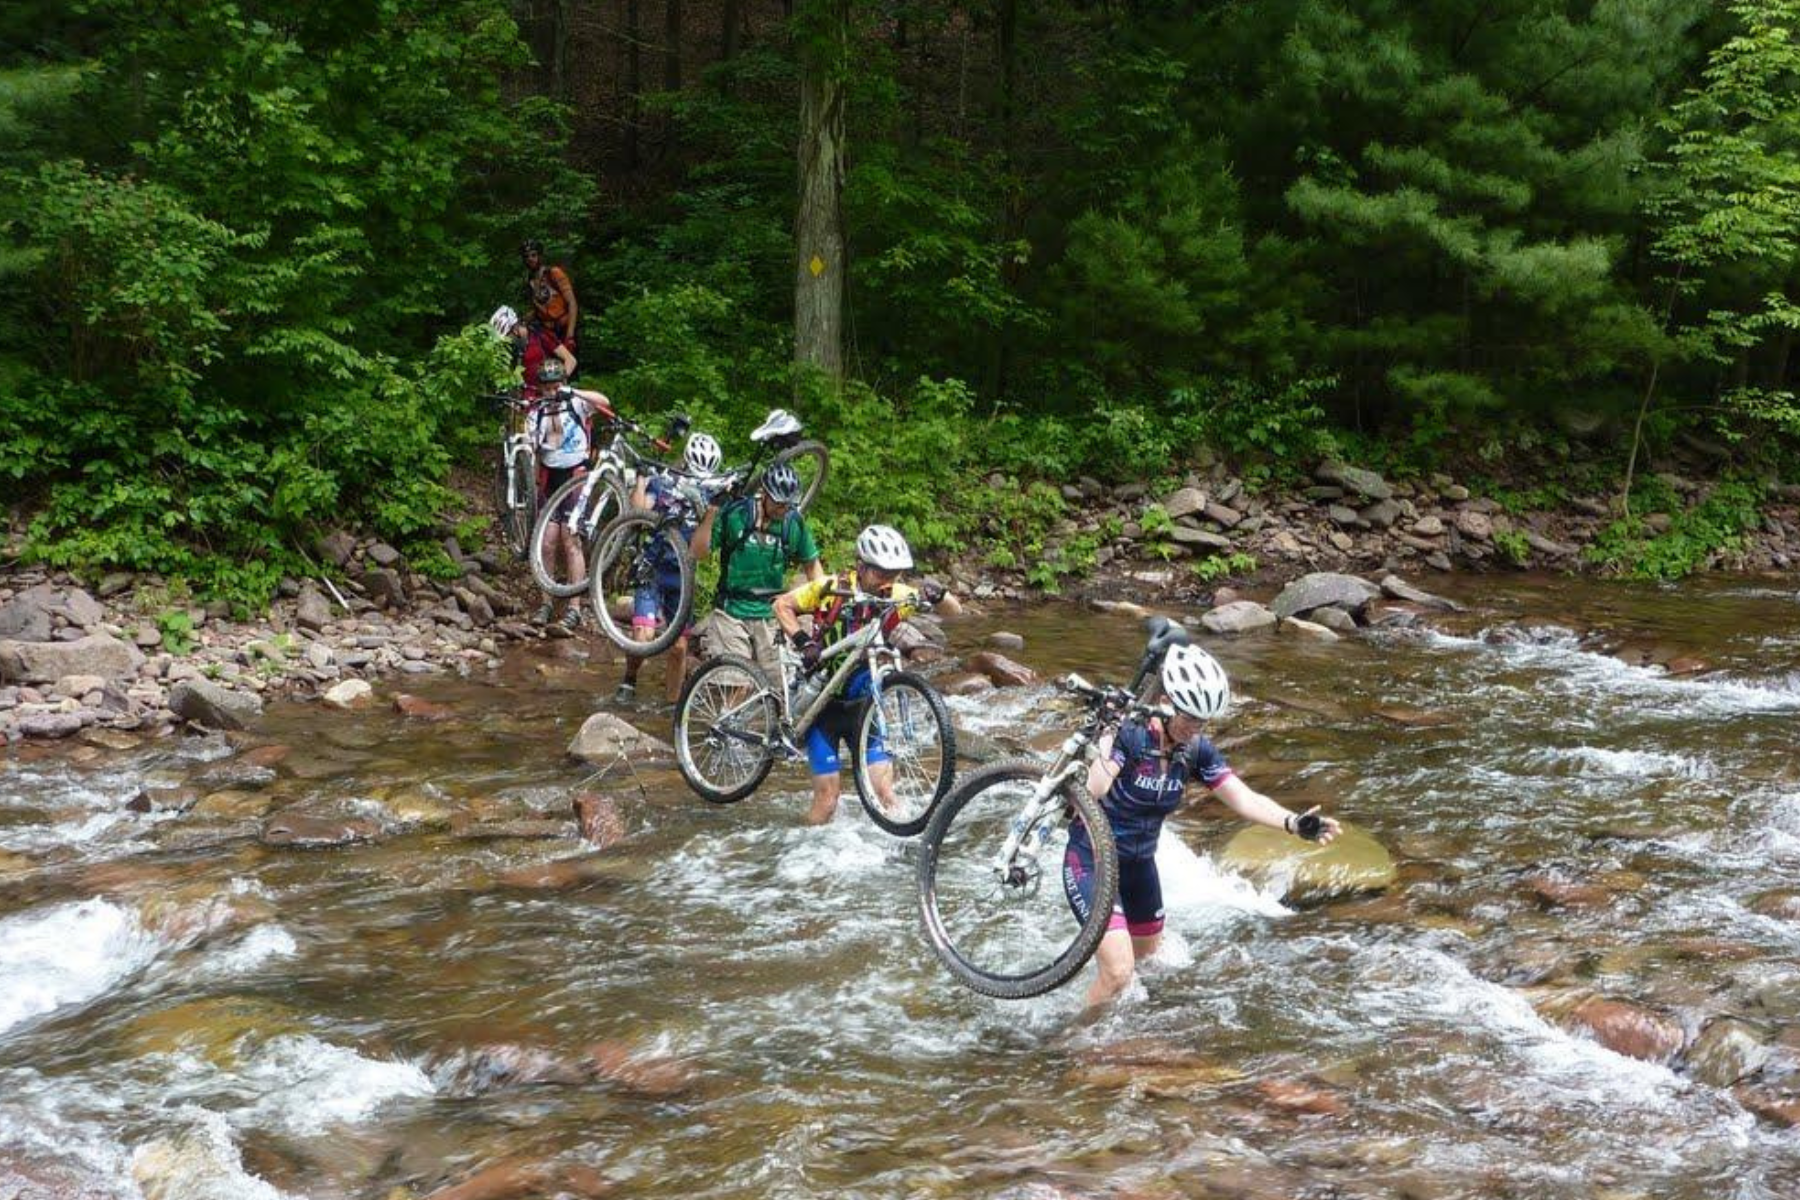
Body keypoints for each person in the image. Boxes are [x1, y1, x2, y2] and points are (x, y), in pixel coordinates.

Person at [1067, 643, 1342, 1010]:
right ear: (1166, 703)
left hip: (1139, 867)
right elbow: (1093, 790)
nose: (1196, 729)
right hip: (1092, 860)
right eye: (1191, 718)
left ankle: (1106, 1015)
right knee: (1119, 972)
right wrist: (1107, 732)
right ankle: (1074, 1044)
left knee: (1147, 964)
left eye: (1203, 722)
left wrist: (1293, 823)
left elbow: (1245, 799)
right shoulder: (1130, 735)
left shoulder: (1195, 750)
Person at [771, 525, 961, 825]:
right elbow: (781, 605)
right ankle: (800, 857)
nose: (888, 580)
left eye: (894, 574)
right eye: (881, 573)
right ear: (861, 565)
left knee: (887, 795)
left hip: (864, 707)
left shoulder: (896, 594)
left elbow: (954, 612)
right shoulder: (830, 588)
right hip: (823, 710)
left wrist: (941, 595)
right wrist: (801, 641)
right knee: (827, 803)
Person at [690, 461, 825, 684]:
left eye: (789, 505)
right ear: (764, 495)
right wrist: (713, 511)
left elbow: (812, 565)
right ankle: (727, 719)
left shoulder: (792, 523)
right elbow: (697, 551)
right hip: (731, 611)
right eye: (780, 504)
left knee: (781, 688)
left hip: (770, 613)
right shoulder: (736, 514)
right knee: (737, 684)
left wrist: (823, 600)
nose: (784, 510)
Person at [615, 431, 722, 706]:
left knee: (679, 648)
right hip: (651, 569)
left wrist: (710, 513)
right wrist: (641, 478)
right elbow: (636, 516)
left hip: (682, 577)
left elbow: (699, 552)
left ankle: (672, 707)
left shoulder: (709, 495)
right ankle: (629, 678)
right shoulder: (664, 482)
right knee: (644, 635)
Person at [531, 360, 612, 630]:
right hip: (550, 479)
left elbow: (604, 400)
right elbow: (532, 451)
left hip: (575, 476)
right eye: (547, 387)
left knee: (571, 541)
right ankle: (546, 603)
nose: (552, 391)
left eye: (556, 385)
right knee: (546, 544)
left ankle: (574, 608)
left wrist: (572, 392)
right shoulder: (538, 412)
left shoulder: (577, 404)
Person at [522, 239, 579, 351]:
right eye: (527, 256)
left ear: (540, 256)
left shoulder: (554, 273)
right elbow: (538, 309)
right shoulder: (530, 281)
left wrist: (570, 335)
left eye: (533, 255)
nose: (530, 259)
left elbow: (572, 303)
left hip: (564, 328)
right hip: (547, 331)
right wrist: (521, 321)